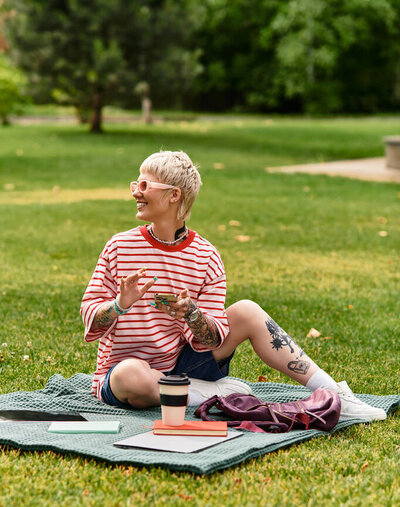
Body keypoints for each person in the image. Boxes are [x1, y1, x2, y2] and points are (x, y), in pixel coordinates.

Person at [80, 151, 386, 421]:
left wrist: (192, 314)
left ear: (174, 195)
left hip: (181, 363)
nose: (136, 192)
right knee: (132, 376)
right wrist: (120, 304)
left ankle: (333, 394)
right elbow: (90, 321)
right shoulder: (119, 246)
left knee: (248, 311)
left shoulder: (205, 256)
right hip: (121, 373)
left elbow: (212, 340)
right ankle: (203, 394)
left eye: (144, 185)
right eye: (136, 184)